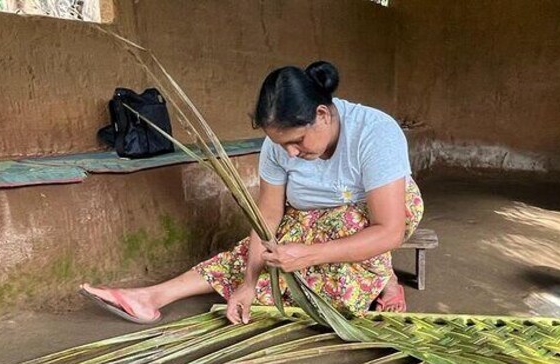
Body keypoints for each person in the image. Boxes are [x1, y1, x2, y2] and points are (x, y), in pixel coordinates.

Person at [81, 61, 424, 325]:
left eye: (297, 141)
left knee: (331, 286)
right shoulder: (277, 147)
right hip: (309, 219)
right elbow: (268, 216)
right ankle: (152, 297)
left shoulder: (375, 133)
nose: (290, 153)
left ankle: (385, 278)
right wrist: (248, 283)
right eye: (282, 144)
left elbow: (389, 230)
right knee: (268, 253)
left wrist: (307, 255)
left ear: (322, 115)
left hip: (375, 213)